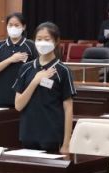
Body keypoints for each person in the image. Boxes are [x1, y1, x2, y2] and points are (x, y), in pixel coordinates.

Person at [13, 22, 76, 153]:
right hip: (28, 135)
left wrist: (66, 143)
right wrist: (36, 81)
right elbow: (18, 105)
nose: (42, 43)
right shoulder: (26, 68)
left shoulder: (63, 71)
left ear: (56, 41)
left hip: (52, 136)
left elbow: (68, 108)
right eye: (39, 39)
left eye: (47, 39)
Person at [0, 12, 36, 108]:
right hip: (2, 97)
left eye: (17, 25)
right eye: (10, 25)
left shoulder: (31, 45)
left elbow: (37, 69)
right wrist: (10, 59)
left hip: (24, 98)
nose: (13, 28)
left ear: (23, 27)